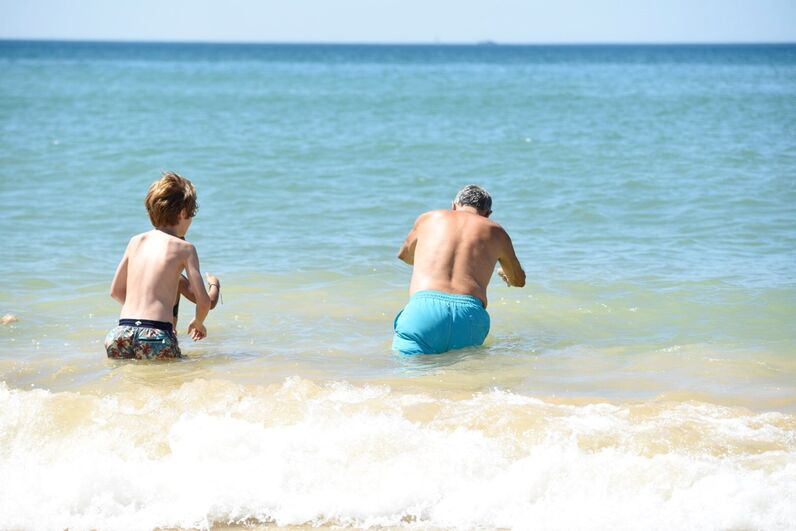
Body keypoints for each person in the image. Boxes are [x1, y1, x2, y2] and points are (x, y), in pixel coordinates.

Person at [393, 185, 525, 355]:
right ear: (488, 214)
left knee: (410, 374)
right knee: (462, 377)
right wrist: (507, 275)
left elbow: (404, 256)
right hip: (470, 316)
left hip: (424, 312)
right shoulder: (497, 231)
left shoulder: (428, 219)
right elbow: (518, 281)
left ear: (453, 205)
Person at [104, 171, 220, 360]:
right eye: (191, 216)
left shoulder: (135, 241)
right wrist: (198, 322)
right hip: (156, 335)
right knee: (183, 374)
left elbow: (115, 291)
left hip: (120, 334)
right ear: (183, 212)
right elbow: (204, 301)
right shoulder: (185, 248)